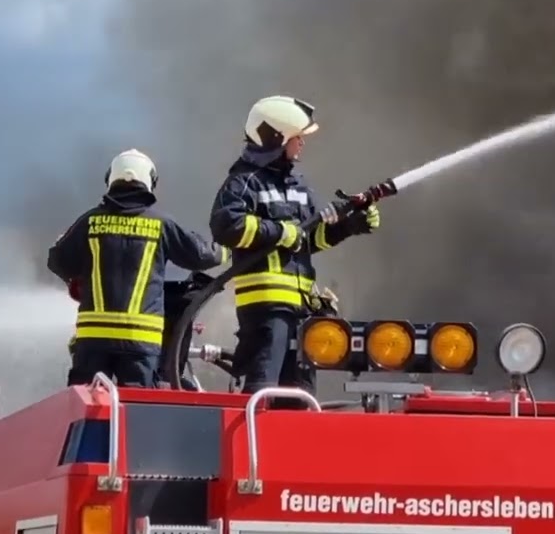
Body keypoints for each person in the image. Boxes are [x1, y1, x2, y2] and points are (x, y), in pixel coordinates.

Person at [209, 95, 380, 395]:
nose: (302, 143)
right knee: (264, 389)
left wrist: (352, 225)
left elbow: (310, 239)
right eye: (297, 137)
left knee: (300, 395)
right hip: (265, 310)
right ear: (277, 137)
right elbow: (226, 226)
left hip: (302, 309)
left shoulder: (298, 186)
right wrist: (278, 232)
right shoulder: (244, 182)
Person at [49, 149, 230, 388]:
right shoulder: (160, 224)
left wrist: (77, 279)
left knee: (88, 401)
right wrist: (227, 249)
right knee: (136, 409)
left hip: (94, 340)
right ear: (149, 182)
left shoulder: (90, 222)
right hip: (140, 341)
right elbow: (201, 255)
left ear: (110, 180)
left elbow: (57, 260)